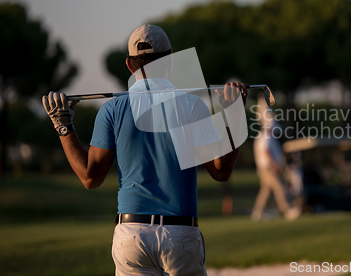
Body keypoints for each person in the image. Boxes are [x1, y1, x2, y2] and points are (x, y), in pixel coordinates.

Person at [42, 24, 247, 276]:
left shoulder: (112, 110)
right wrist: (234, 113)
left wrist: (64, 126)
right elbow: (221, 171)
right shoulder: (192, 106)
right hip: (180, 235)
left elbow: (90, 177)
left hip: (131, 236)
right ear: (170, 61)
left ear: (129, 65)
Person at [251, 96, 300, 221]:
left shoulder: (267, 136)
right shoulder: (265, 136)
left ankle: (258, 212)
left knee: (265, 191)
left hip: (265, 168)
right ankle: (287, 210)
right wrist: (274, 164)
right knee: (279, 187)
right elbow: (266, 152)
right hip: (267, 168)